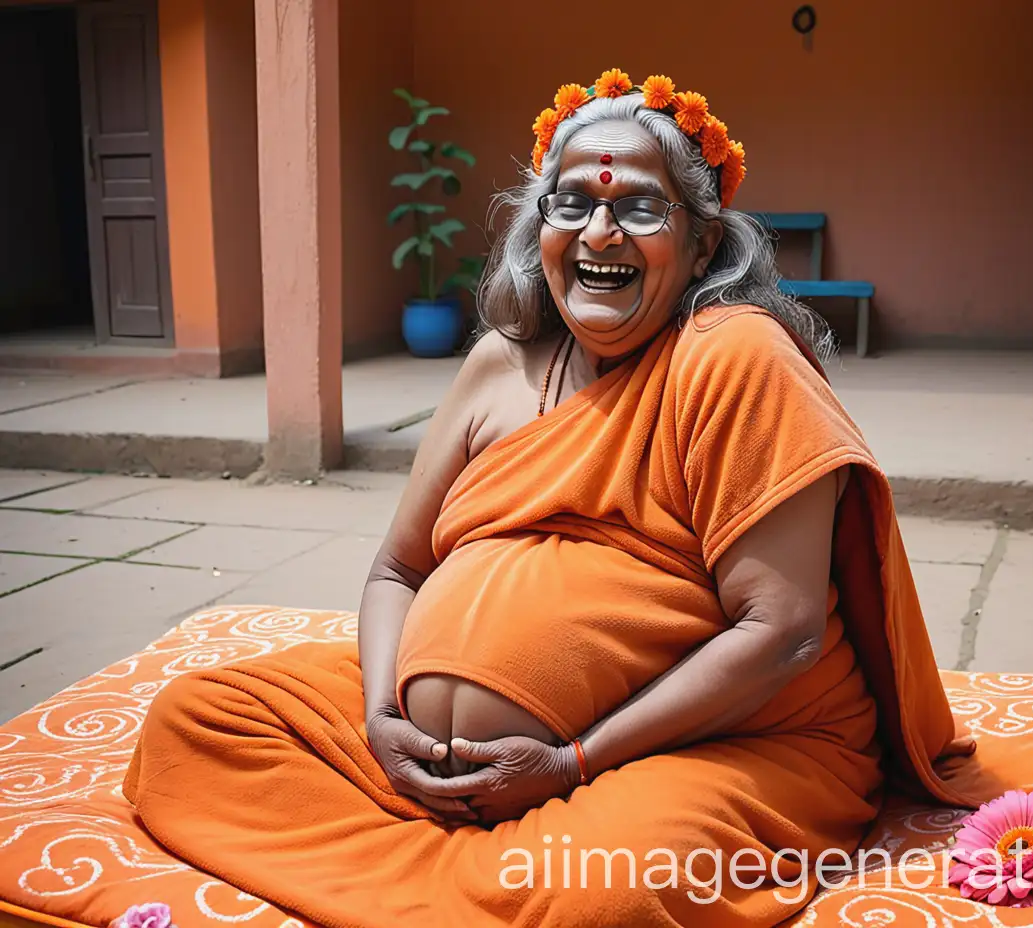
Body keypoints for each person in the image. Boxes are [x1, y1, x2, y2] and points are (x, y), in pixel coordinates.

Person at [124, 69, 979, 927]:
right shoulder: (500, 361)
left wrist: (570, 761)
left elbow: (781, 632)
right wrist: (384, 717)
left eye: (640, 208)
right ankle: (467, 876)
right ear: (540, 232)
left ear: (705, 246)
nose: (598, 229)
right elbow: (397, 567)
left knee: (599, 895)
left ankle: (483, 876)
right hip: (431, 751)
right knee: (196, 725)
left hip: (702, 746)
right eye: (569, 203)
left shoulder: (736, 355)